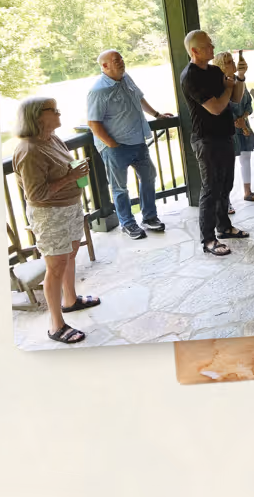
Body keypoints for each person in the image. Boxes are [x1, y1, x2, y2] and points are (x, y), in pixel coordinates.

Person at [12, 97, 98, 345]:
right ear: (38, 116)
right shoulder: (28, 150)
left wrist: (75, 173)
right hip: (49, 215)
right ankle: (56, 325)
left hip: (69, 207)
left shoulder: (52, 138)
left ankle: (70, 300)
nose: (59, 112)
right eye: (53, 109)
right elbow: (35, 194)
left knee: (70, 254)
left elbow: (62, 169)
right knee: (56, 265)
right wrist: (71, 177)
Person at [86, 50, 173, 240]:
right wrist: (112, 145)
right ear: (104, 66)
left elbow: (139, 98)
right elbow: (93, 123)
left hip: (138, 142)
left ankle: (149, 217)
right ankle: (127, 223)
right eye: (115, 61)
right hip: (116, 148)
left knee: (149, 176)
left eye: (121, 59)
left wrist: (157, 115)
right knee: (120, 188)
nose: (121, 62)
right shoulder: (98, 90)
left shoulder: (126, 78)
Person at [180, 30, 249, 256]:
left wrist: (239, 77)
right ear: (194, 50)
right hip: (205, 140)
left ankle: (225, 227)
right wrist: (229, 87)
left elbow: (236, 97)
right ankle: (208, 240)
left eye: (211, 44)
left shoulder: (214, 71)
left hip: (225, 135)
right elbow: (217, 107)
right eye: (208, 46)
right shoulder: (190, 76)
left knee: (225, 185)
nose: (212, 48)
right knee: (210, 190)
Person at [219, 49, 254, 207]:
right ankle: (227, 201)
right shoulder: (221, 86)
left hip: (243, 124)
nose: (232, 64)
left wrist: (243, 119)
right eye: (228, 62)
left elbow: (248, 104)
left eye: (232, 61)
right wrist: (235, 121)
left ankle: (248, 192)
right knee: (227, 164)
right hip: (228, 128)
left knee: (246, 158)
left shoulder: (240, 83)